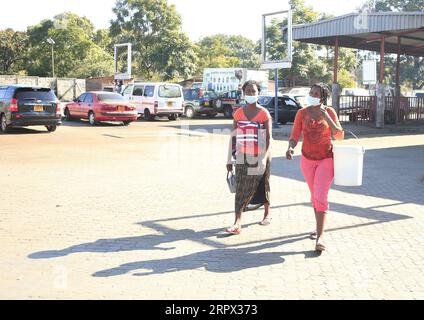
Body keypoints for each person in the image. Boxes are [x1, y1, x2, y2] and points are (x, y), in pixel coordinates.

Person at [286, 83, 344, 251]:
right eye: (311, 92)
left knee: (320, 196)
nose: (312, 95)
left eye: (316, 93)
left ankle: (320, 237)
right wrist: (290, 147)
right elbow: (295, 135)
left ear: (322, 97)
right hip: (307, 159)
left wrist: (328, 118)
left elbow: (339, 136)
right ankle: (318, 227)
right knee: (314, 196)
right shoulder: (301, 113)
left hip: (326, 159)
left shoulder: (330, 112)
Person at [226, 80, 273, 235]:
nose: (251, 94)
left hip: (259, 155)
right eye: (248, 91)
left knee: (261, 184)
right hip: (241, 155)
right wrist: (229, 159)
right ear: (243, 93)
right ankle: (237, 222)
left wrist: (263, 159)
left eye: (253, 91)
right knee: (240, 188)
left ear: (258, 93)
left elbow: (268, 138)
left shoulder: (263, 113)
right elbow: (233, 137)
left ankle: (267, 213)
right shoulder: (238, 113)